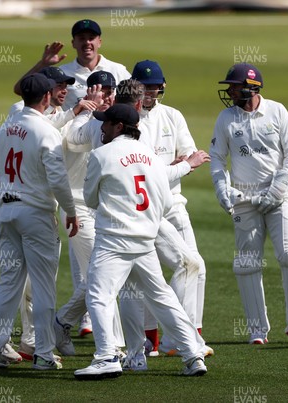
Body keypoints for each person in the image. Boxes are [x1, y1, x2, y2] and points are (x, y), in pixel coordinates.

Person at [74, 104, 207, 380]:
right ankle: (193, 355)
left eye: (107, 123)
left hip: (113, 241)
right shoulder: (151, 156)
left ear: (119, 126)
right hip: (145, 240)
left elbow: (89, 199)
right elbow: (166, 201)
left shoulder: (101, 155)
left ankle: (106, 357)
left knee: (98, 296)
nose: (102, 128)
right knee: (162, 298)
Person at [0, 73, 79, 370]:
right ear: (46, 98)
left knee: (9, 281)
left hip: (5, 209)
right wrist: (71, 211)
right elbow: (58, 179)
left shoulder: (6, 125)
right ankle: (44, 354)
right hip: (34, 213)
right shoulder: (46, 132)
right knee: (45, 285)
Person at [209, 62, 288, 345]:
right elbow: (217, 158)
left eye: (233, 86)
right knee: (246, 263)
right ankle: (257, 329)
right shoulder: (226, 118)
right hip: (244, 199)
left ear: (251, 88)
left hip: (279, 197)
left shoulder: (277, 111)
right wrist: (222, 190)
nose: (229, 91)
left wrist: (277, 189)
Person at [12, 67, 99, 361]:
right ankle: (36, 344)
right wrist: (76, 111)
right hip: (38, 205)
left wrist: (77, 112)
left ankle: (25, 340)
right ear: (45, 90)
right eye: (59, 86)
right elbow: (43, 125)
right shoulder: (23, 113)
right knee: (28, 279)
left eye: (66, 85)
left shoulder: (60, 115)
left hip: (31, 205)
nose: (64, 90)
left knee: (29, 278)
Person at [130, 60, 210, 356]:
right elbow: (144, 169)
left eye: (155, 88)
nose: (151, 93)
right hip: (143, 209)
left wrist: (181, 165)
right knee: (147, 278)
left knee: (195, 268)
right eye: (146, 88)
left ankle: (188, 336)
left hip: (174, 204)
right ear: (135, 86)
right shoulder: (128, 118)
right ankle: (153, 339)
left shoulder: (172, 116)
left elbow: (191, 155)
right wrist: (175, 166)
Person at [53, 71, 126, 357]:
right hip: (77, 207)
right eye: (100, 91)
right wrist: (87, 108)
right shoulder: (76, 119)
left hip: (105, 208)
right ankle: (115, 346)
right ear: (89, 93)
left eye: (109, 91)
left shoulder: (113, 125)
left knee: (101, 277)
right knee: (102, 277)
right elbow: (73, 139)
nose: (105, 96)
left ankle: (62, 322)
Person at [13, 19, 131, 111]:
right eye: (82, 38)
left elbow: (137, 97)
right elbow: (21, 89)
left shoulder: (118, 70)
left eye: (91, 38)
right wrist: (43, 64)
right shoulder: (62, 74)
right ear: (73, 43)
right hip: (74, 139)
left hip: (108, 137)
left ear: (99, 42)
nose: (87, 43)